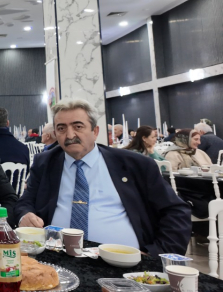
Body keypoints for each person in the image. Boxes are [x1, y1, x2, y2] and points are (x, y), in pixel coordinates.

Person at [16, 98, 191, 256]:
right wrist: (25, 215)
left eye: (78, 127)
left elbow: (176, 211)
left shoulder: (134, 165)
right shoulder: (45, 163)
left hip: (124, 262)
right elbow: (26, 201)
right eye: (61, 128)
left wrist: (155, 254)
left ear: (95, 131)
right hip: (58, 257)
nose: (69, 135)